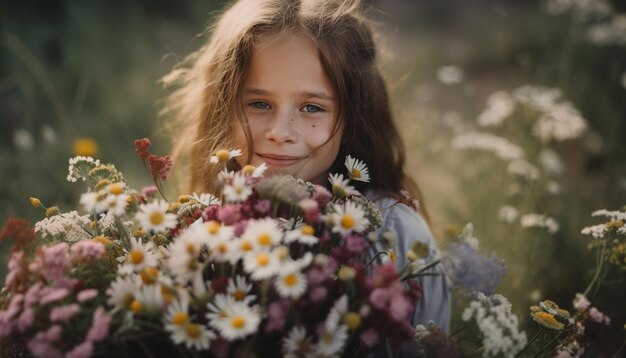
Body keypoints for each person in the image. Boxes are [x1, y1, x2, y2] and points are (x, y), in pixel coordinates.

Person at [161, 0, 450, 345]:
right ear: (224, 106)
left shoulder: (393, 236)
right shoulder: (200, 232)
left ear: (353, 117)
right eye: (259, 104)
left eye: (312, 107)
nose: (280, 131)